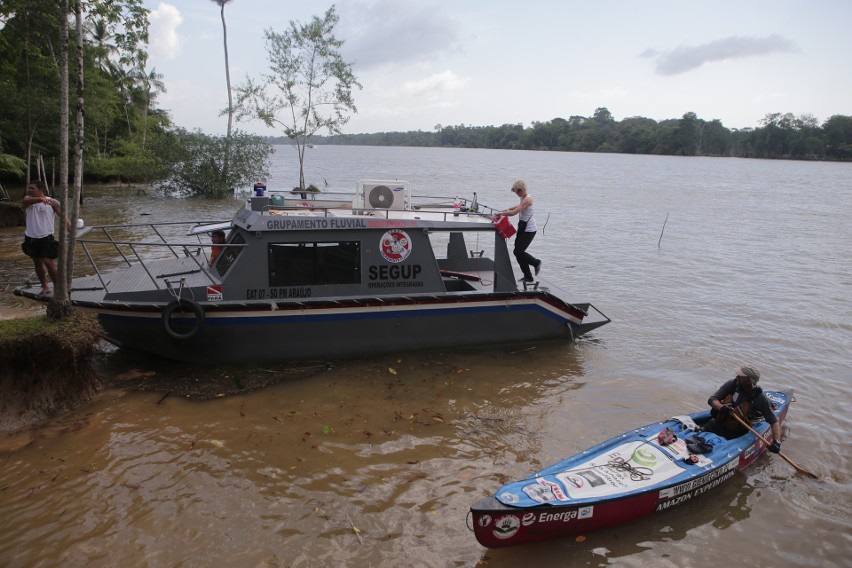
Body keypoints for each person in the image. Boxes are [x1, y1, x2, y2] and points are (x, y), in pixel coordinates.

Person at [703, 365, 783, 453]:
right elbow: (712, 399)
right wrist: (721, 407)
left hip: (736, 434)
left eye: (740, 376)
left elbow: (774, 422)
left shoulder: (759, 398)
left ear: (749, 381)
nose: (737, 376)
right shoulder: (732, 384)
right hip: (715, 425)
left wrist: (776, 442)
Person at [21, 180, 68, 297]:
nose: (29, 190)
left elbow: (63, 217)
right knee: (37, 262)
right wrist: (40, 200)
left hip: (46, 237)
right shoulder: (28, 200)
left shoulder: (53, 202)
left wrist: (72, 230)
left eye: (32, 188)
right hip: (30, 237)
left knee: (48, 261)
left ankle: (58, 288)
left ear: (40, 189)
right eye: (29, 188)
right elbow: (25, 201)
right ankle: (45, 286)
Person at [497, 179, 541, 283]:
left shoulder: (528, 199)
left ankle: (536, 263)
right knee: (517, 252)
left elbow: (514, 213)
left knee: (518, 251)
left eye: (517, 192)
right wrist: (502, 211)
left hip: (529, 230)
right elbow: (515, 207)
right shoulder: (523, 198)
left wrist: (501, 214)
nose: (516, 194)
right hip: (522, 228)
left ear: (521, 190)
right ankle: (528, 277)